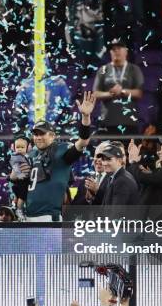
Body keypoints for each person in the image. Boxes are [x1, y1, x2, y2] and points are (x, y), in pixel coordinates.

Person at [13, 91, 97, 222]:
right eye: (36, 134)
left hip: (48, 216)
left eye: (42, 134)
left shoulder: (61, 150)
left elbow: (83, 142)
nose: (38, 137)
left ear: (52, 136)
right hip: (28, 216)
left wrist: (85, 118)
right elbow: (17, 180)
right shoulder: (31, 154)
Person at [58, 0, 107, 64]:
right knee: (81, 45)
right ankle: (84, 64)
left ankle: (94, 62)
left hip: (94, 16)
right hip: (78, 17)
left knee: (97, 45)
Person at [93, 40, 144, 134]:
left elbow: (139, 93)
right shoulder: (103, 69)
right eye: (113, 49)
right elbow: (95, 93)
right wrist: (110, 93)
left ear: (126, 51)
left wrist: (122, 91)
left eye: (119, 48)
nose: (116, 51)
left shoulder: (134, 69)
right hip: (107, 122)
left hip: (129, 122)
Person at [99, 145, 140, 215]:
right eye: (103, 159)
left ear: (119, 160)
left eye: (109, 159)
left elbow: (116, 215)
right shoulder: (113, 176)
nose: (104, 163)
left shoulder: (122, 181)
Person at [72, 141, 111, 206]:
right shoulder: (85, 181)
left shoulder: (115, 179)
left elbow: (114, 206)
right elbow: (74, 208)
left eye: (103, 156)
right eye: (97, 156)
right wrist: (87, 199)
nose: (99, 159)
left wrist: (97, 192)